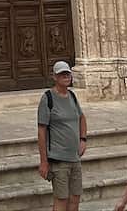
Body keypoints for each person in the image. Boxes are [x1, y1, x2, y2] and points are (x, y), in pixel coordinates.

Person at [37, 60, 87, 211]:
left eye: (67, 74)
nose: (66, 77)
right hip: (58, 160)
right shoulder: (48, 98)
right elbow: (41, 131)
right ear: (55, 77)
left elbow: (81, 118)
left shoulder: (72, 96)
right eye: (62, 74)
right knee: (61, 199)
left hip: (74, 158)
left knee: (75, 197)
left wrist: (83, 139)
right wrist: (44, 162)